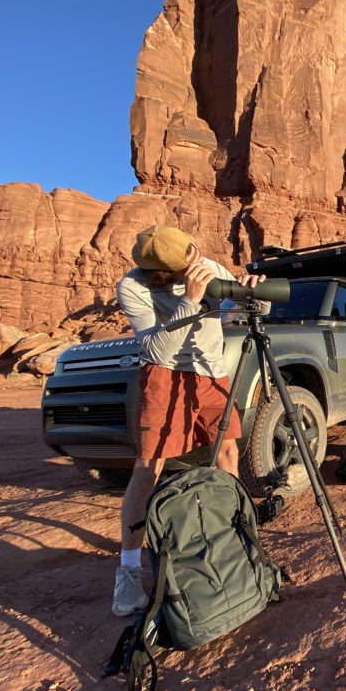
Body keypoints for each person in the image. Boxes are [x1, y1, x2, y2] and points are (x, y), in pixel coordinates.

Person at [111, 224, 263, 617]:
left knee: (228, 454)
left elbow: (245, 312)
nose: (198, 266)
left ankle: (232, 541)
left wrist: (251, 292)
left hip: (212, 374)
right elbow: (156, 351)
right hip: (164, 375)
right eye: (188, 266)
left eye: (195, 256)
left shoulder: (206, 264)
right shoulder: (133, 288)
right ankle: (128, 570)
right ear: (163, 274)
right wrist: (191, 301)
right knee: (148, 470)